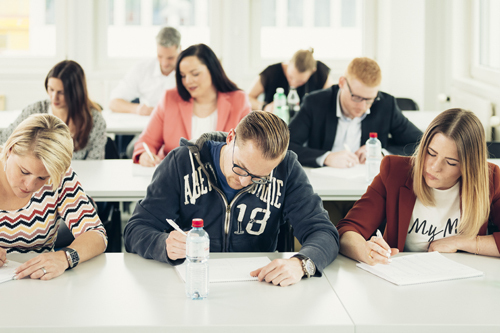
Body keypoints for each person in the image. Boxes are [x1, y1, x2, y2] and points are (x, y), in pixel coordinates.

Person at [124, 111, 339, 286]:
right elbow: (136, 229)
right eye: (241, 168)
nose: (245, 182)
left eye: (259, 178)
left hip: (258, 286)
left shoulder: (287, 169)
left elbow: (323, 232)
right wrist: (163, 244)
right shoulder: (181, 163)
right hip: (193, 283)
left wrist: (301, 264)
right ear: (230, 137)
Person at [337, 108, 500, 265]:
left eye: (451, 162)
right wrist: (366, 251)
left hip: (465, 282)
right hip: (404, 281)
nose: (435, 167)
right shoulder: (395, 172)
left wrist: (464, 242)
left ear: (469, 167)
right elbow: (347, 229)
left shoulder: (490, 178)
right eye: (431, 152)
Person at [0, 114, 107, 280]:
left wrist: (65, 257)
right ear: (10, 150)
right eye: (24, 171)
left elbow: (97, 234)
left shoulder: (59, 176)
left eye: (42, 178)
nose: (29, 185)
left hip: (41, 285)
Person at [289, 57, 422, 169]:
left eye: (370, 99)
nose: (363, 106)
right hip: (324, 183)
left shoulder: (385, 104)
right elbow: (286, 145)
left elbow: (420, 142)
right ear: (342, 83)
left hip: (368, 186)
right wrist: (326, 157)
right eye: (357, 97)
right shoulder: (315, 102)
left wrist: (382, 154)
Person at [132, 43, 251, 167]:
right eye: (183, 76)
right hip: (177, 177)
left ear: (212, 70)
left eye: (195, 74)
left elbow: (248, 147)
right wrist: (145, 154)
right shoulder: (169, 98)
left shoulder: (239, 100)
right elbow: (146, 141)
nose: (188, 81)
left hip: (223, 180)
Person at [0, 60, 107, 160]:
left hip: (79, 177)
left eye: (61, 92)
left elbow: (95, 162)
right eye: (51, 89)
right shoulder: (35, 110)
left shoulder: (95, 120)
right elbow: (5, 139)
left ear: (76, 93)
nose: (54, 97)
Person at [109, 26, 181, 115]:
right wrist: (138, 109)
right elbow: (114, 103)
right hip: (147, 124)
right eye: (160, 56)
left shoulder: (188, 71)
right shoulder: (142, 68)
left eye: (170, 58)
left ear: (180, 49)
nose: (164, 63)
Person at [248, 48, 333, 114]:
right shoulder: (271, 72)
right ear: (288, 63)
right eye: (290, 77)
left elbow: (332, 100)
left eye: (300, 81)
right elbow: (248, 98)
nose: (293, 84)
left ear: (313, 71)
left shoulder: (320, 73)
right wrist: (264, 107)